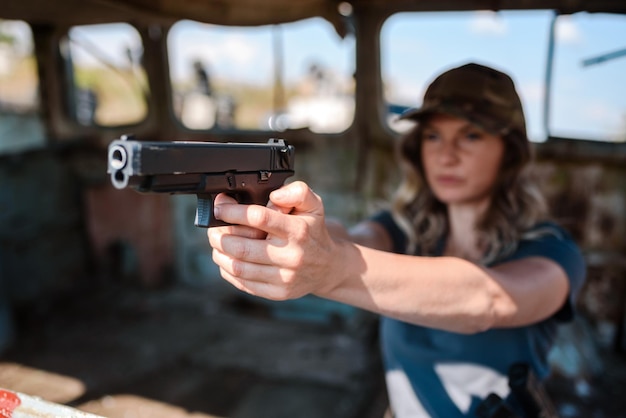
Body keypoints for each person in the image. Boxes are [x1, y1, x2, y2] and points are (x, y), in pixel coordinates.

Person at [207, 63, 586, 417]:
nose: (446, 155)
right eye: (433, 135)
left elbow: (488, 298)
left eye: (471, 135)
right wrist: (285, 225)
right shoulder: (405, 228)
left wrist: (331, 269)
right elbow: (348, 238)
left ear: (509, 152)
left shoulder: (552, 250)